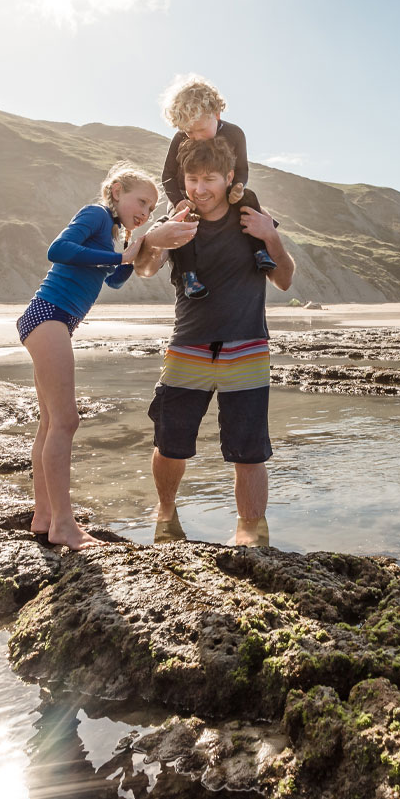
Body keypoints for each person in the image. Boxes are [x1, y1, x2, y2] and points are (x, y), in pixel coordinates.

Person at [18, 164, 194, 549]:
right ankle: (64, 524)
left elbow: (114, 278)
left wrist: (142, 244)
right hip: (49, 315)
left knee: (49, 424)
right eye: (142, 201)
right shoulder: (95, 214)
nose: (146, 212)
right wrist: (122, 255)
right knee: (66, 421)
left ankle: (44, 516)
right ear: (116, 191)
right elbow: (58, 249)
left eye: (151, 208)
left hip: (54, 320)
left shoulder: (114, 232)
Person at [136, 135, 297, 546]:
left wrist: (271, 236)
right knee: (170, 443)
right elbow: (146, 270)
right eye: (192, 179)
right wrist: (158, 237)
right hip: (189, 344)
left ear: (229, 178)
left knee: (249, 451)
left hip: (247, 347)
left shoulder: (251, 218)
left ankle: (249, 532)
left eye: (209, 178)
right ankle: (166, 513)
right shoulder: (180, 218)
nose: (200, 188)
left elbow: (284, 279)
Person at [157, 75, 275, 300]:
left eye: (200, 129)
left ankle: (259, 251)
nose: (195, 137)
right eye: (189, 132)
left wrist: (238, 188)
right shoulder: (180, 138)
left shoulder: (235, 133)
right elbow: (167, 176)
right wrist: (178, 201)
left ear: (217, 114)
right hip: (187, 196)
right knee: (182, 220)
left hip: (227, 193)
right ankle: (188, 276)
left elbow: (242, 169)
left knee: (250, 198)